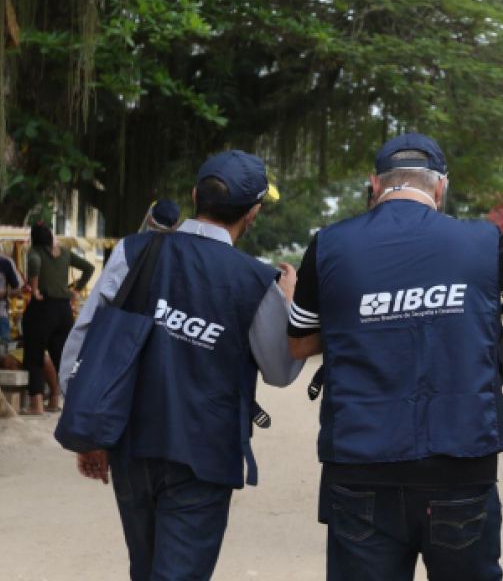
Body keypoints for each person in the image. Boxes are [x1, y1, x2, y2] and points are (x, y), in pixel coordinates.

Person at [288, 132, 503, 581]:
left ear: (375, 185)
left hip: (360, 463)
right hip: (461, 463)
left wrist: (360, 317)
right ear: (440, 187)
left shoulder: (328, 245)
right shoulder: (483, 240)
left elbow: (298, 344)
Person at [59, 150, 305, 580]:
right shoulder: (256, 280)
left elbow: (83, 337)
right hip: (204, 455)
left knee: (145, 568)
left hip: (132, 444)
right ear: (253, 212)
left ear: (195, 196)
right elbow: (280, 370)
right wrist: (287, 302)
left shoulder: (134, 251)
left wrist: (88, 430)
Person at [22, 222, 94, 415]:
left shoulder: (35, 251)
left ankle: (36, 405)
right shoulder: (64, 252)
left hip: (42, 308)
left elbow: (34, 262)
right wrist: (76, 290)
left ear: (34, 238)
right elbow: (88, 268)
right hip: (64, 311)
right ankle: (64, 401)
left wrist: (34, 289)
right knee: (63, 358)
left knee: (34, 356)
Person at [0, 251, 22, 342]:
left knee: (5, 345)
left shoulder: (4, 263)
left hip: (1, 314)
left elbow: (18, 291)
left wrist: (4, 293)